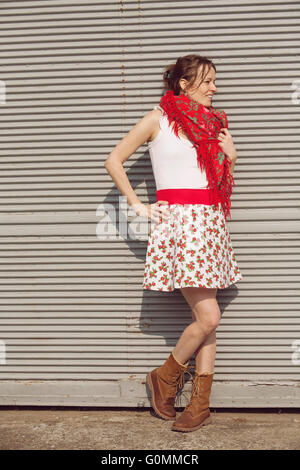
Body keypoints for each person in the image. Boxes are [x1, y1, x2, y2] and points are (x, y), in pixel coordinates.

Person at [104, 54, 243, 433]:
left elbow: (214, 180)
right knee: (209, 316)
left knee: (207, 316)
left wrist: (231, 158)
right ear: (184, 83)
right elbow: (114, 159)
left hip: (210, 221)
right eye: (208, 80)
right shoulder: (158, 118)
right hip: (179, 224)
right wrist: (138, 205)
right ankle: (165, 377)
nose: (215, 87)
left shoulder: (214, 124)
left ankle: (199, 404)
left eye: (216, 80)